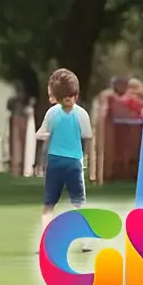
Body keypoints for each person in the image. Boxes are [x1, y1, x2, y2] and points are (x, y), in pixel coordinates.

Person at [37, 68, 93, 226]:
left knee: (49, 204)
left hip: (55, 160)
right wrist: (92, 167)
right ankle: (85, 239)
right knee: (79, 203)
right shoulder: (81, 114)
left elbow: (42, 133)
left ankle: (45, 240)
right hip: (74, 162)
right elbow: (88, 138)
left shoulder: (52, 113)